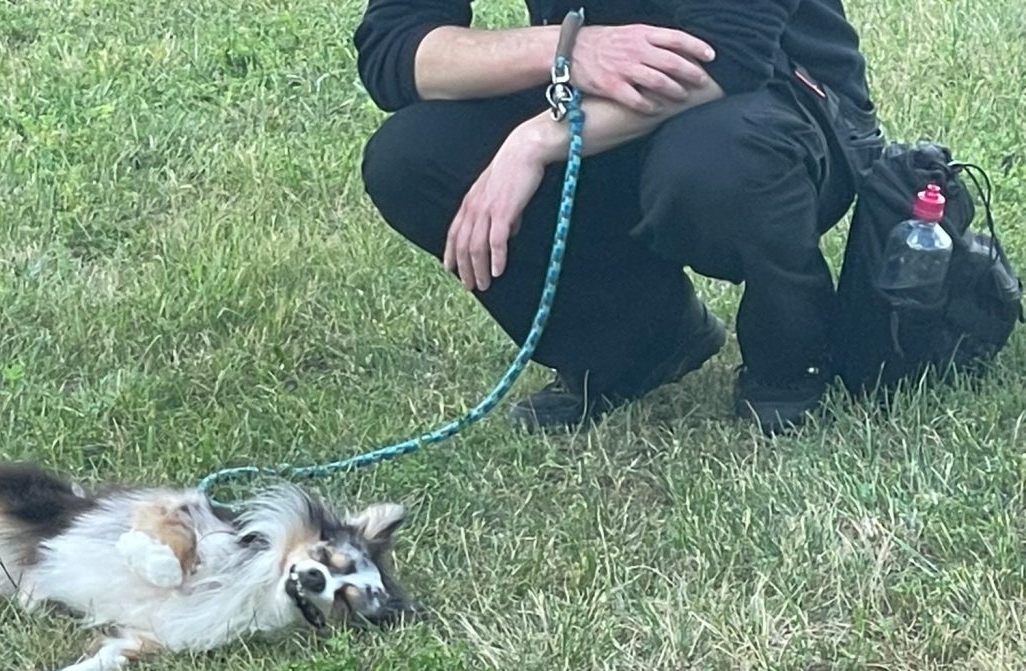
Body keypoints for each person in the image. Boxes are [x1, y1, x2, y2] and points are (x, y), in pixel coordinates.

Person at [353, 2, 884, 434]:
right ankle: (636, 345)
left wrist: (535, 140)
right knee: (410, 157)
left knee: (710, 166)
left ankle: (794, 354)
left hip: (777, 93)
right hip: (605, 87)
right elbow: (395, 49)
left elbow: (734, 52)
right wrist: (567, 48)